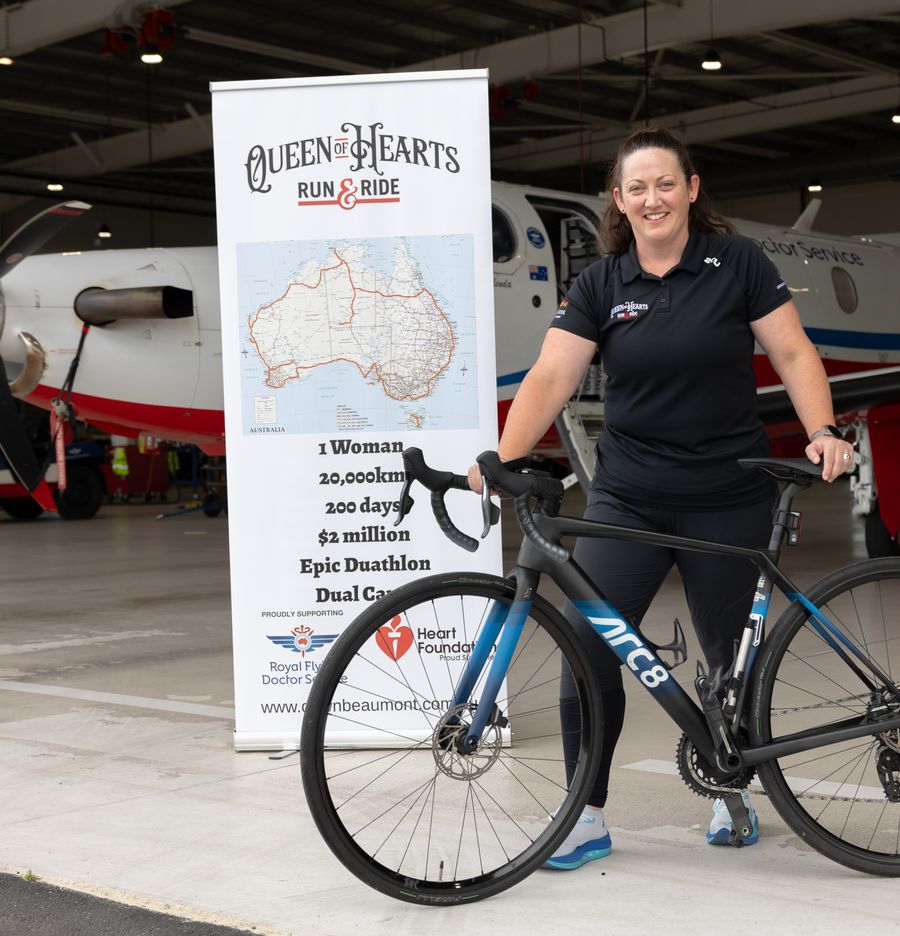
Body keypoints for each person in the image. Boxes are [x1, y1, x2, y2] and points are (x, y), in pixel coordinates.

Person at [468, 127, 855, 870]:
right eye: (637, 188)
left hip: (726, 491)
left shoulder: (736, 262)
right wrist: (506, 457)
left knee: (725, 661)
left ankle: (729, 788)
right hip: (628, 499)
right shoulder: (601, 284)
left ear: (692, 189)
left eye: (666, 184)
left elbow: (793, 350)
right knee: (589, 648)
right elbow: (549, 376)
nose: (653, 199)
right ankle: (584, 814)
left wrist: (823, 430)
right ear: (619, 200)